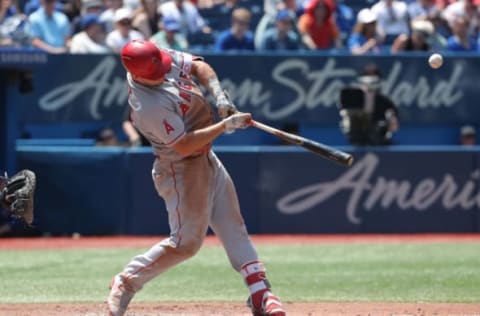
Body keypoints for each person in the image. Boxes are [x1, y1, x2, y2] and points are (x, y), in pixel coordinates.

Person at [106, 39, 285, 316]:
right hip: (180, 168)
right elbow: (184, 145)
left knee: (232, 224)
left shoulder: (155, 58)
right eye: (156, 73)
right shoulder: (147, 105)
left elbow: (199, 66)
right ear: (139, 75)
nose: (164, 72)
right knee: (186, 243)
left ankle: (261, 293)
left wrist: (219, 95)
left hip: (205, 158)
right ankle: (126, 281)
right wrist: (224, 126)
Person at [338, 63, 399, 146]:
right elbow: (344, 116)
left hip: (378, 139)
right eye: (366, 82)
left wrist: (391, 120)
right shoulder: (353, 99)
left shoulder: (385, 101)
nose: (369, 86)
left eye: (373, 82)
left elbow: (394, 126)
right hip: (356, 138)